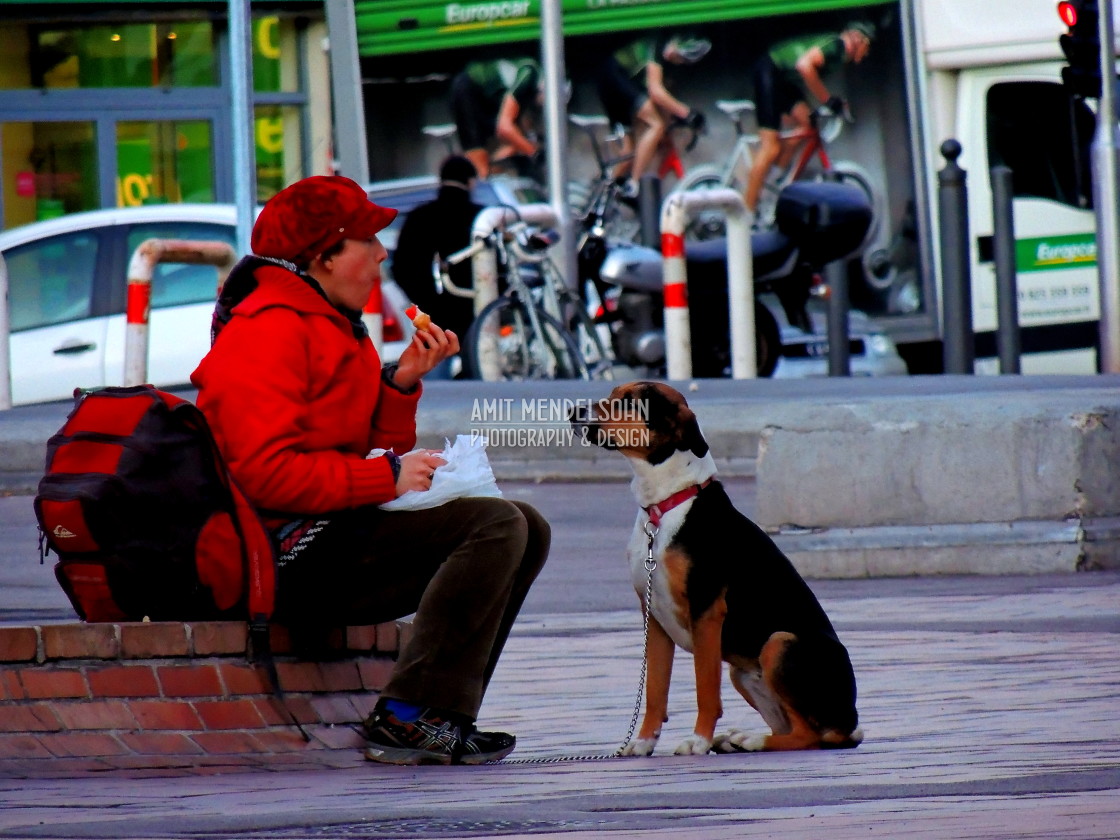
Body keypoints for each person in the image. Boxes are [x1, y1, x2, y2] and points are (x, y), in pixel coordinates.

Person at [190, 174, 551, 766]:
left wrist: (401, 381)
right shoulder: (269, 329)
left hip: (325, 533)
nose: (383, 252)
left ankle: (440, 713)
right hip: (279, 553)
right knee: (494, 526)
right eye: (367, 239)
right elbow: (261, 474)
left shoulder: (333, 322)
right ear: (324, 254)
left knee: (527, 525)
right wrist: (385, 479)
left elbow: (363, 446)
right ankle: (407, 714)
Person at [744, 21, 875, 215]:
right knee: (770, 147)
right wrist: (828, 100)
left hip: (782, 80)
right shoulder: (835, 45)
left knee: (808, 124)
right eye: (867, 48)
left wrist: (832, 102)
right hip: (769, 72)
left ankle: (773, 181)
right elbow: (805, 66)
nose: (865, 54)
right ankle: (745, 212)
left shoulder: (838, 53)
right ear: (859, 40)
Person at [593, 33, 710, 199]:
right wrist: (689, 114)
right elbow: (656, 92)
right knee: (656, 125)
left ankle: (597, 196)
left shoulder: (669, 63)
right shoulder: (657, 46)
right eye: (679, 56)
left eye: (682, 60)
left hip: (614, 80)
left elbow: (664, 100)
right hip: (614, 75)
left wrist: (677, 117)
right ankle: (633, 184)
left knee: (627, 152)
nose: (677, 60)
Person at [391, 155, 484, 357]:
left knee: (431, 366)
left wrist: (419, 305)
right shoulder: (482, 217)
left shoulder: (418, 216)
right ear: (470, 182)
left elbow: (399, 268)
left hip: (427, 312)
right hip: (473, 311)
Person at [450, 58, 542, 178]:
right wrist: (534, 153)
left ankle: (494, 170)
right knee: (481, 168)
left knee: (516, 143)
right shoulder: (529, 74)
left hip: (491, 97)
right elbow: (504, 127)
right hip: (469, 90)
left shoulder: (533, 89)